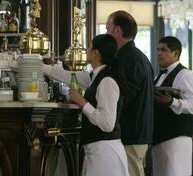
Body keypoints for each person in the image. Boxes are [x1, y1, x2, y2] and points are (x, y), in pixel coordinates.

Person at [42, 34, 129, 176]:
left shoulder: (107, 81)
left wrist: (82, 102)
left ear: (96, 53)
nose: (86, 50)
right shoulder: (94, 77)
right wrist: (32, 64)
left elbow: (107, 124)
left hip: (106, 151)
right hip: (97, 150)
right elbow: (65, 74)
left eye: (89, 47)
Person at [105, 10, 154, 176]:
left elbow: (125, 96)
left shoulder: (130, 59)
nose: (106, 34)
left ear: (117, 31)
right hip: (134, 132)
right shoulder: (135, 56)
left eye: (107, 29)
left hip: (132, 133)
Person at [152, 36, 193, 176]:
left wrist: (171, 102)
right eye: (158, 50)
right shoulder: (159, 76)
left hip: (176, 140)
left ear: (175, 53)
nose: (159, 53)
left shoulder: (185, 74)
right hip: (160, 139)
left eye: (164, 50)